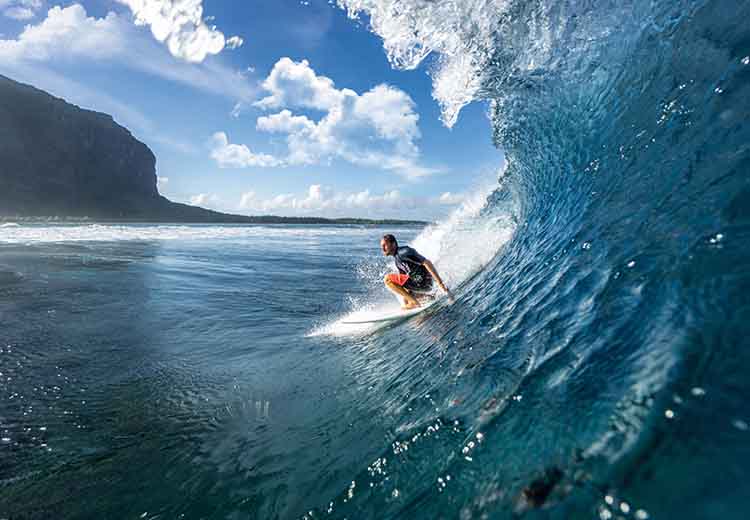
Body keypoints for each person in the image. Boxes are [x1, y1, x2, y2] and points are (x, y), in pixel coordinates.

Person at [380, 234, 451, 309]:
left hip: (422, 281)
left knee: (387, 279)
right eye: (382, 246)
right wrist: (408, 298)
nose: (383, 248)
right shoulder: (397, 261)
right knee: (405, 302)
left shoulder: (404, 252)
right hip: (419, 283)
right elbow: (404, 282)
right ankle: (431, 298)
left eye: (385, 245)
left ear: (393, 244)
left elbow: (427, 262)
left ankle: (415, 302)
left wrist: (441, 284)